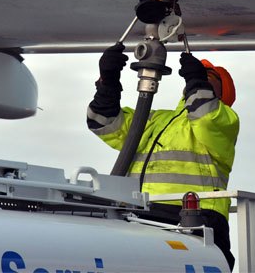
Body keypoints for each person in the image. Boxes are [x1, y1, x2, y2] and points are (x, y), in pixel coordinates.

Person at [86, 43, 240, 269]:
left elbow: (206, 115)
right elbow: (103, 122)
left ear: (222, 92)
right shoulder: (155, 119)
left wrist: (197, 81)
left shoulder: (225, 120)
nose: (201, 79)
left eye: (210, 77)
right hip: (141, 214)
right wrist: (108, 82)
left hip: (195, 218)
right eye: (201, 76)